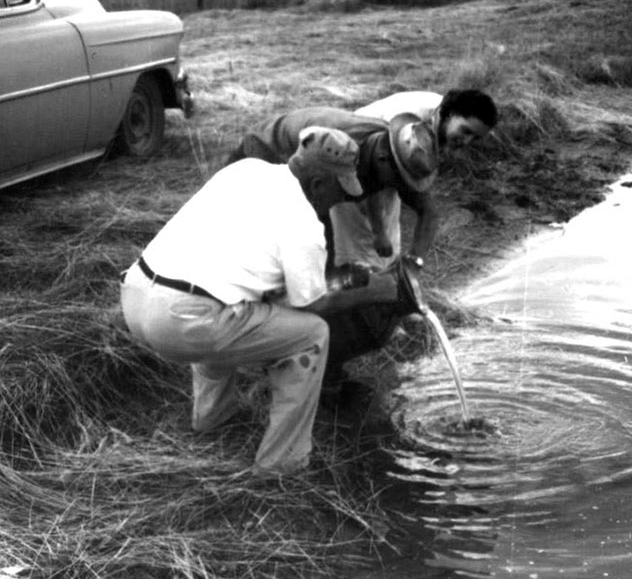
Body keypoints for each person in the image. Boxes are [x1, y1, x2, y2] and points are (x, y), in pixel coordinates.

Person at [119, 126, 415, 476]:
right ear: (318, 183)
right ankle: (282, 464)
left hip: (136, 295)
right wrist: (378, 289)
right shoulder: (304, 224)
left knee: (229, 302)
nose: (341, 202)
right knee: (311, 335)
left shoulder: (246, 170)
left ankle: (213, 419)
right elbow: (311, 305)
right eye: (340, 191)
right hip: (182, 322)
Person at [225, 106, 439, 272]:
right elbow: (312, 209)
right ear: (384, 160)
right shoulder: (338, 151)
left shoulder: (390, 150)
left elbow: (425, 209)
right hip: (266, 151)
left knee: (319, 246)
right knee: (261, 238)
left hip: (310, 173)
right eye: (401, 179)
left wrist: (408, 256)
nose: (402, 187)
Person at [330, 88, 499, 272]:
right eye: (466, 131)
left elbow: (425, 207)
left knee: (388, 249)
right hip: (350, 156)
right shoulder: (408, 124)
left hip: (387, 162)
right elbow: (372, 178)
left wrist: (414, 260)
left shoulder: (442, 120)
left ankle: (389, 279)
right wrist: (379, 232)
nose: (467, 141)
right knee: (362, 248)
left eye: (475, 138)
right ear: (450, 114)